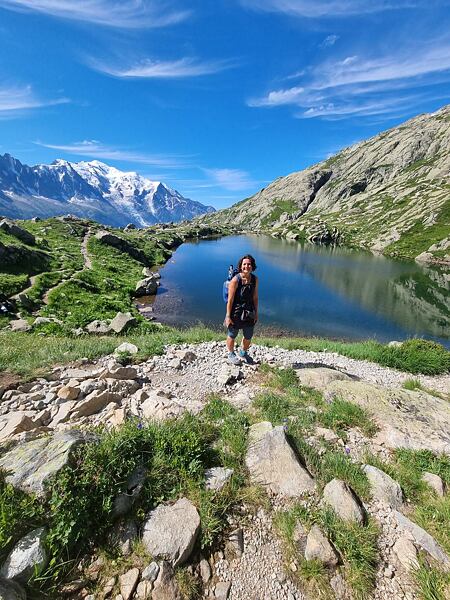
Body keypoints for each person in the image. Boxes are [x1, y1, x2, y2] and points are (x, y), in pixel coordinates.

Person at [224, 254, 259, 364]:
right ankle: (230, 353)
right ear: (241, 266)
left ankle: (243, 352)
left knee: (248, 336)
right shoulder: (235, 280)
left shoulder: (255, 279)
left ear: (252, 266)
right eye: (244, 264)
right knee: (232, 334)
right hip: (236, 312)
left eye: (249, 264)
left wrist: (256, 312)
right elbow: (230, 300)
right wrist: (228, 316)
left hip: (249, 312)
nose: (247, 266)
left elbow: (255, 297)